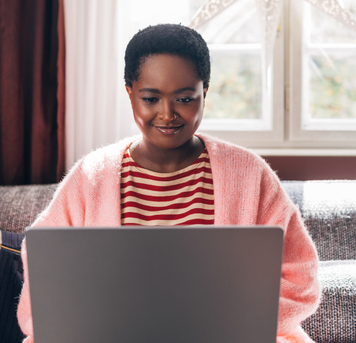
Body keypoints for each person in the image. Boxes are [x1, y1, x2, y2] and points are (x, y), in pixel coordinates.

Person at [17, 24, 321, 342]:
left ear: (205, 92)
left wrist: (234, 326)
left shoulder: (248, 174)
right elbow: (45, 264)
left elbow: (300, 277)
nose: (167, 114)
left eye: (185, 99)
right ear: (130, 93)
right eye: (150, 98)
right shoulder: (92, 176)